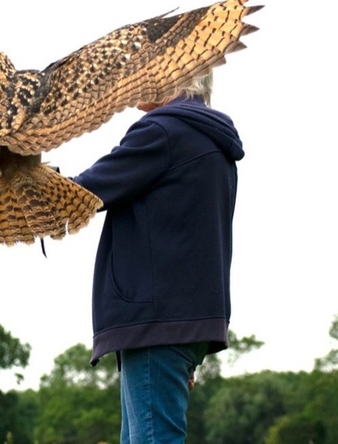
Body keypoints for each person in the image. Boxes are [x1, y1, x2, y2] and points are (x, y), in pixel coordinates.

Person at [71, 72, 244, 443]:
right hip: (183, 322)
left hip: (155, 323)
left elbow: (81, 193)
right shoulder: (210, 140)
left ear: (177, 76)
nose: (135, 79)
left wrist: (2, 175)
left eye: (150, 69)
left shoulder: (163, 132)